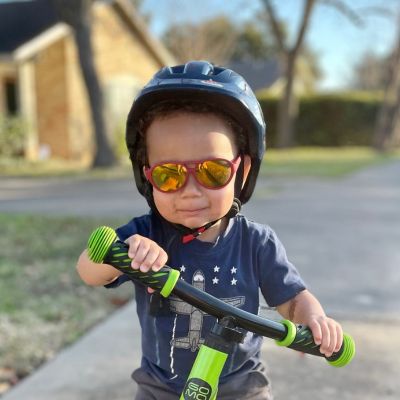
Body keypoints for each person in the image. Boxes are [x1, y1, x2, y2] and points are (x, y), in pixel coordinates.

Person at [76, 60, 343, 399]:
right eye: (168, 175)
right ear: (148, 176)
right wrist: (120, 254)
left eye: (213, 172)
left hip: (241, 386)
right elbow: (88, 271)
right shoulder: (144, 235)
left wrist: (315, 320)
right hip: (160, 388)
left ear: (242, 170)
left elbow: (292, 300)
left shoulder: (256, 243)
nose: (190, 190)